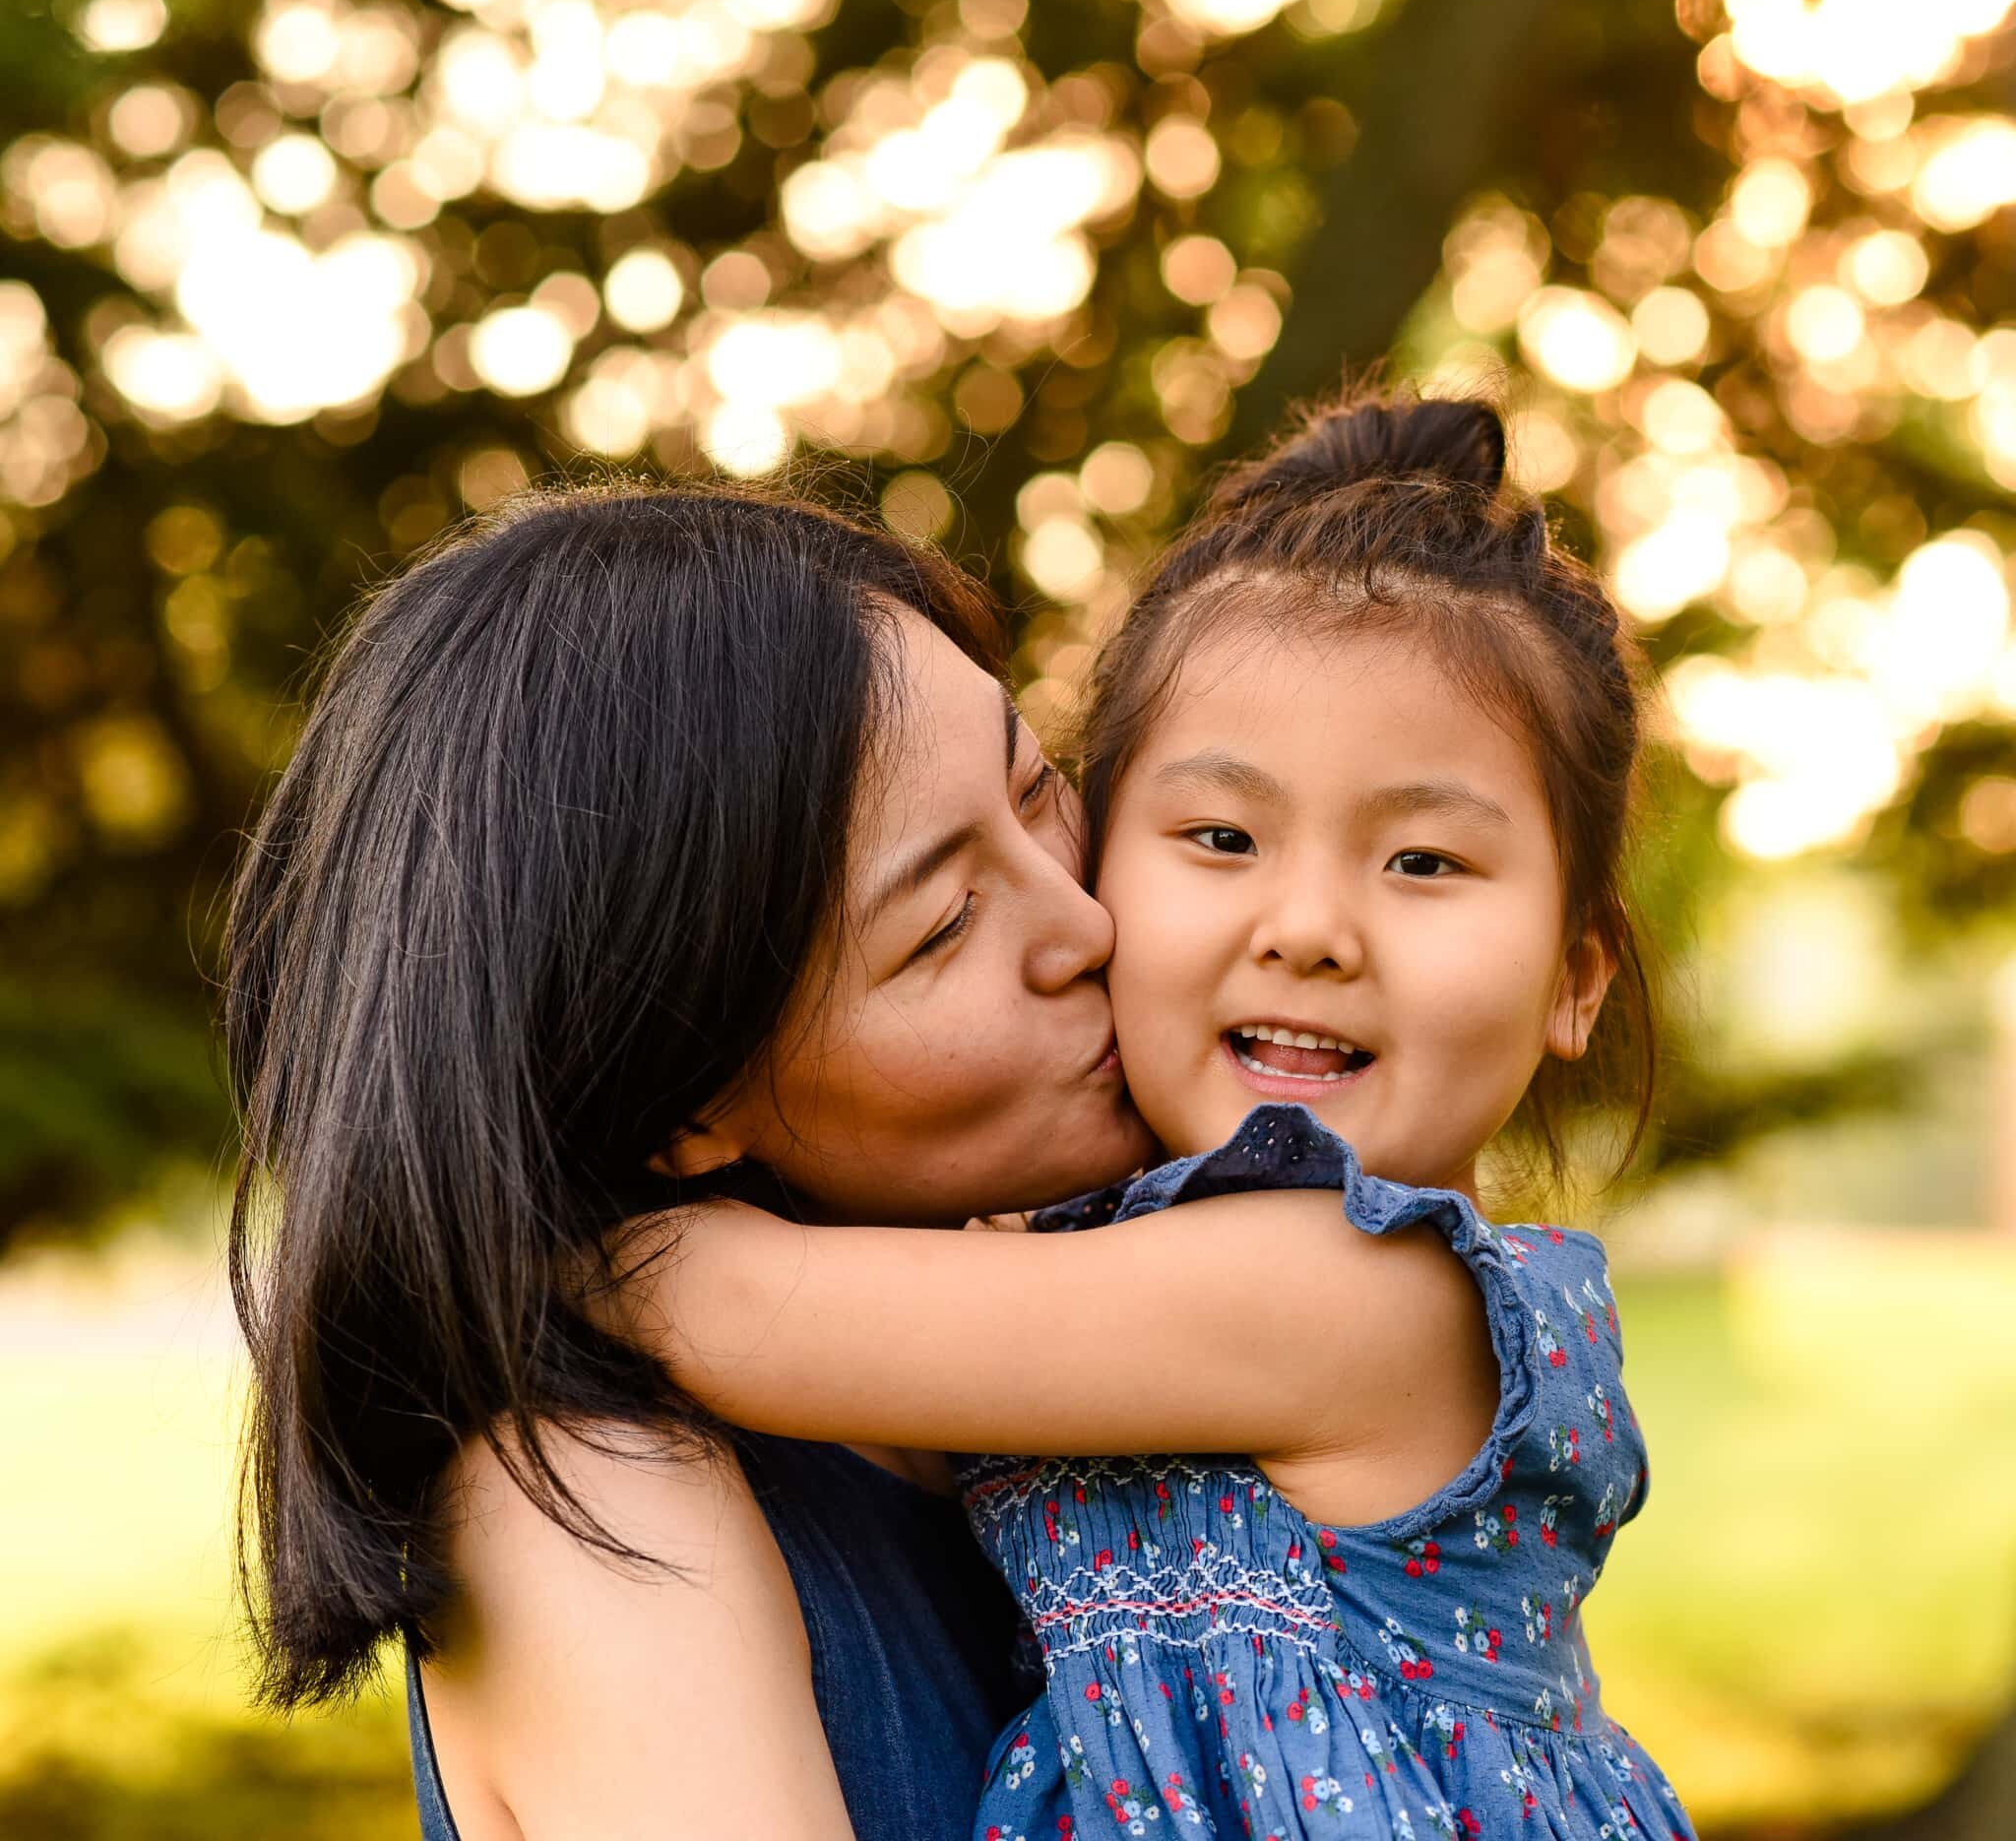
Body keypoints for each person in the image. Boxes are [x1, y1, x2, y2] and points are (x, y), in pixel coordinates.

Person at [599, 390, 1699, 1838]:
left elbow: (733, 1308)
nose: (1309, 928)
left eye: (1425, 861)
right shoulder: (1107, 1266)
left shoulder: (1362, 1295)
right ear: (1101, 862)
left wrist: (492, 1216)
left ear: (1574, 979)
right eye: (1223, 838)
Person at [222, 484, 1158, 1838]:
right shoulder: (592, 1497)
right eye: (945, 922)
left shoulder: (1031, 1349)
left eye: (1041, 785)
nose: (1084, 922)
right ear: (678, 1094)